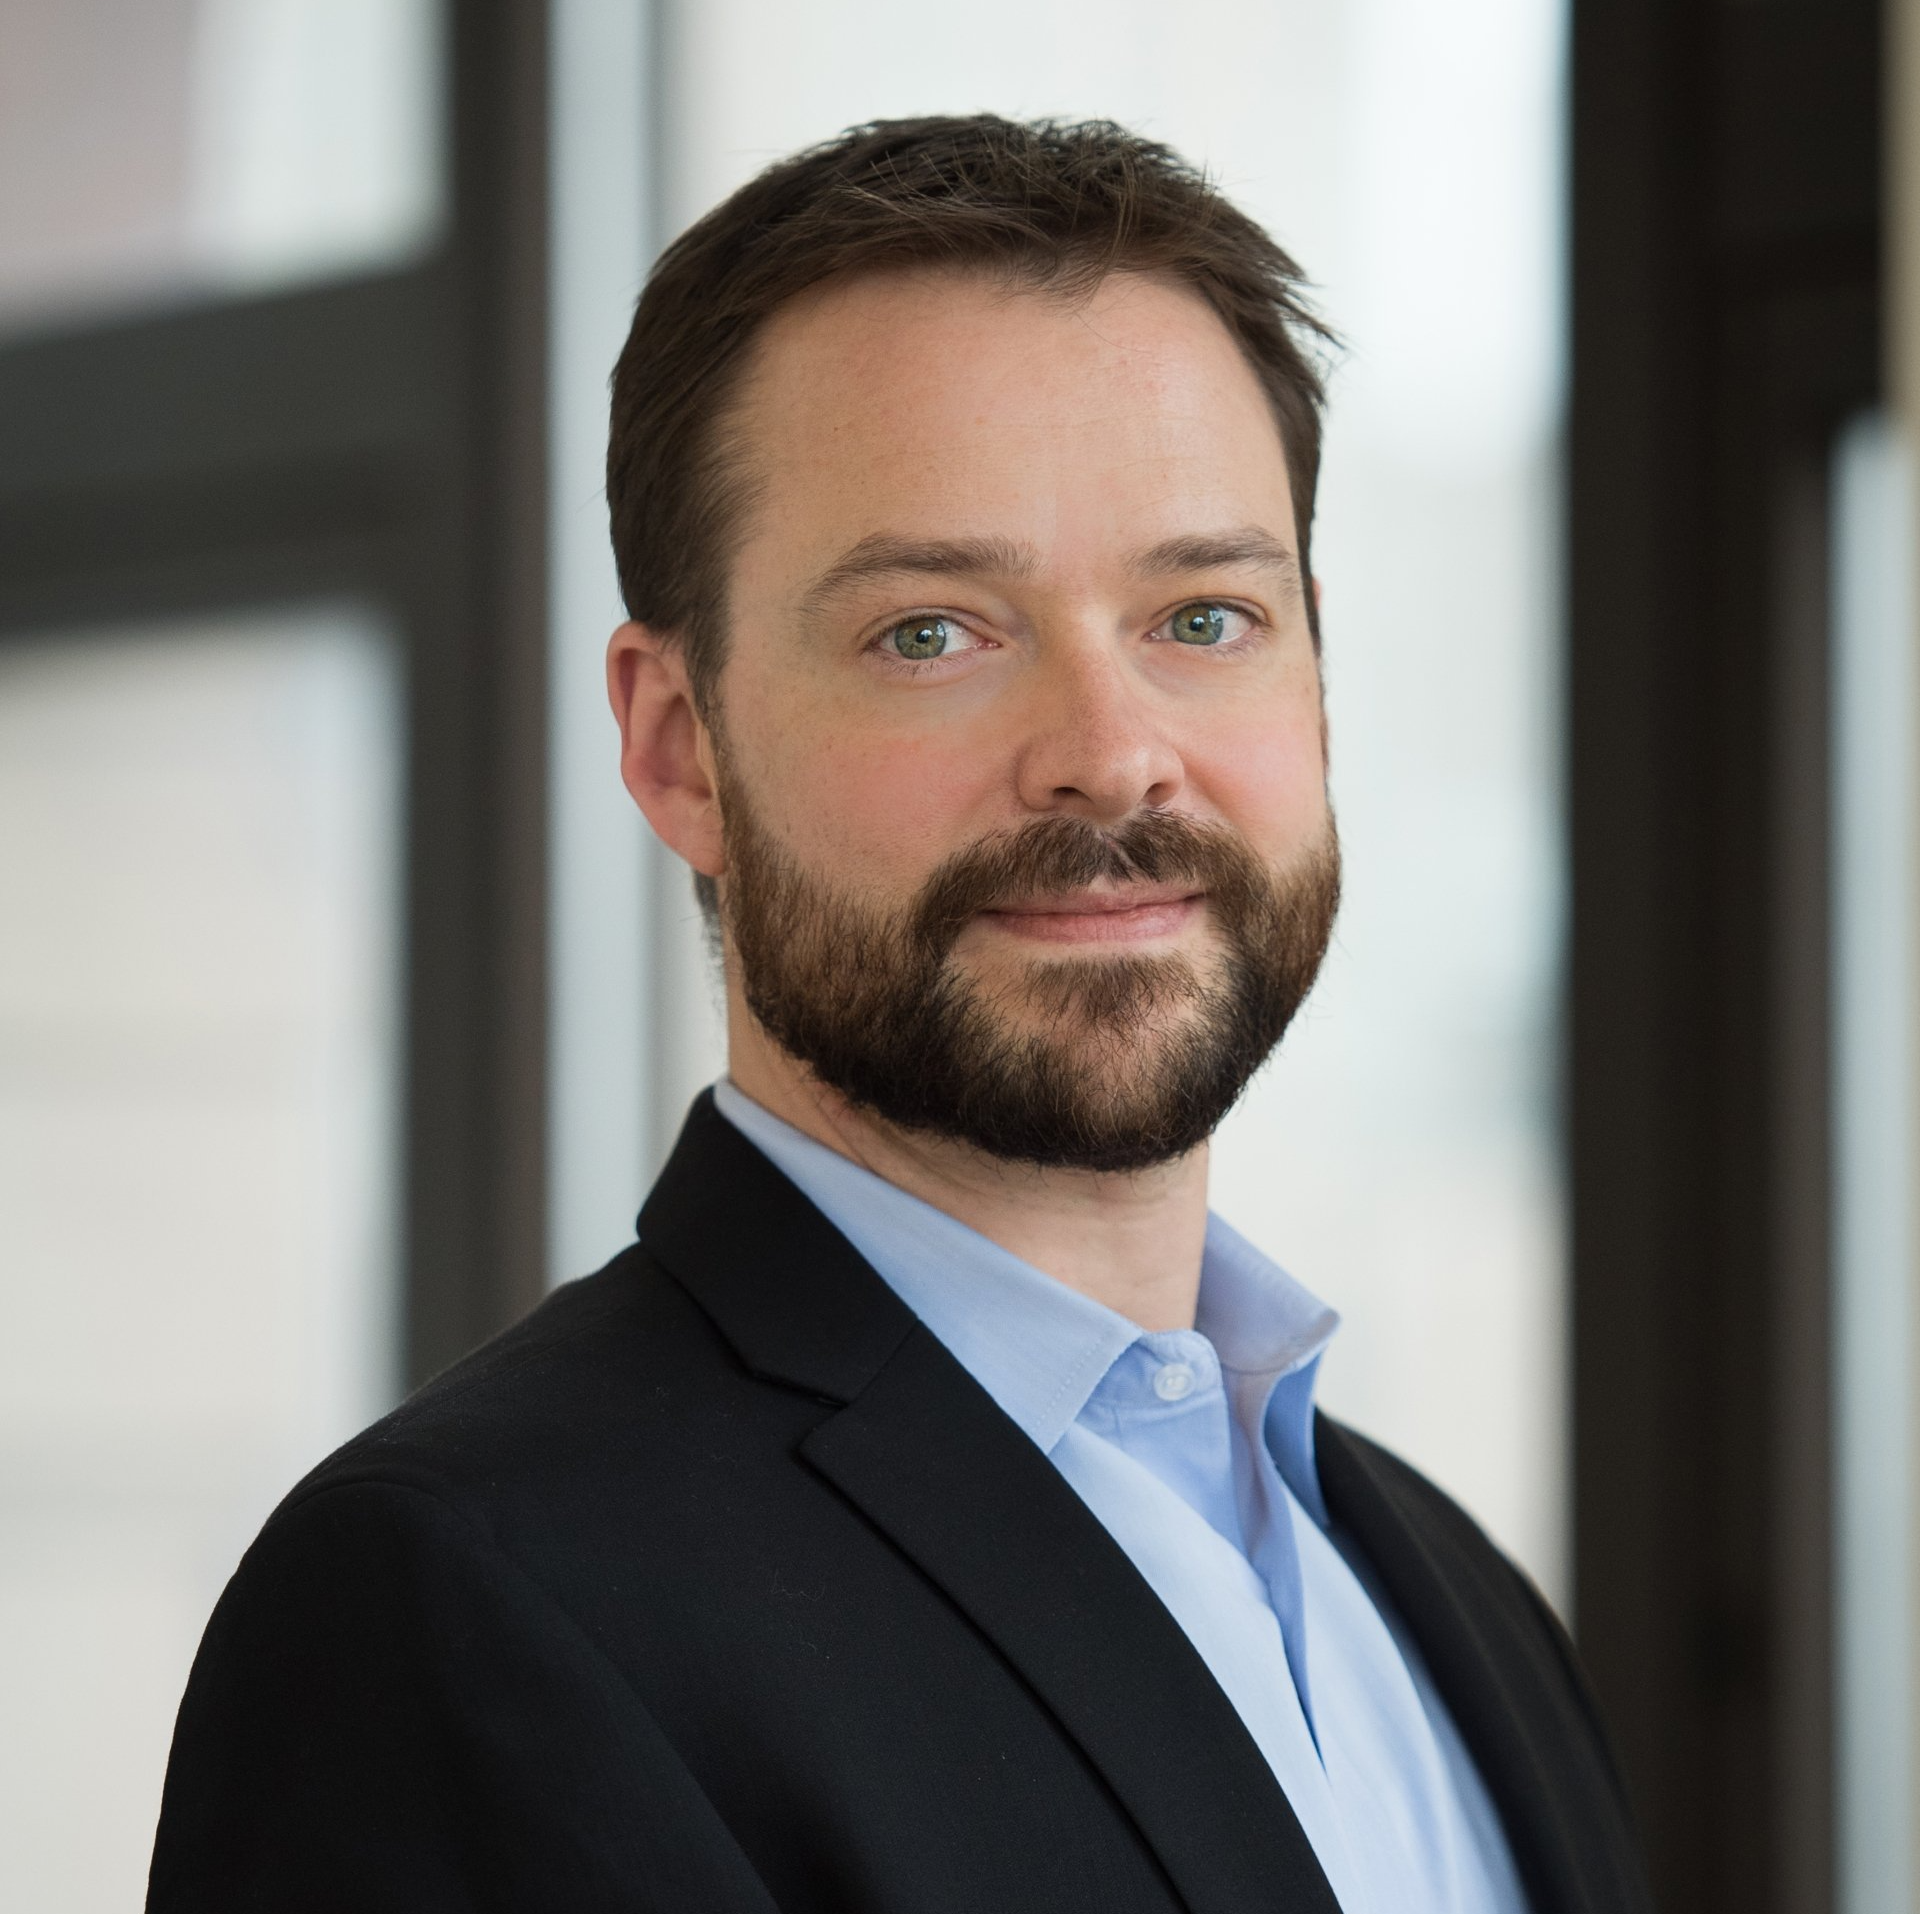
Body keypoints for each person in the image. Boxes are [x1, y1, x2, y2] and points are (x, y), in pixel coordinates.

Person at [148, 117, 1650, 1914]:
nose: (1109, 751)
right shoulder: (453, 1606)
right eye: (933, 632)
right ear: (678, 744)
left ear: (1316, 676)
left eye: (1203, 612)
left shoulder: (1448, 1598)